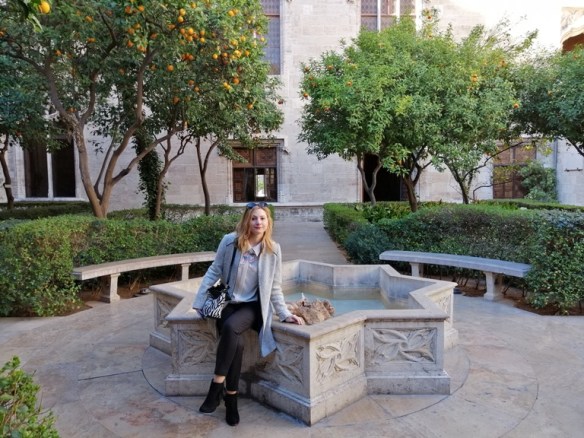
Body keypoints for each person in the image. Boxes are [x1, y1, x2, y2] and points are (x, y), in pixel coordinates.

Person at [192, 202, 304, 426]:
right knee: (237, 343)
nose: (258, 222)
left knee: (231, 327)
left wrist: (284, 313)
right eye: (254, 218)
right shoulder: (229, 241)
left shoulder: (273, 250)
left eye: (262, 218)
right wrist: (200, 299)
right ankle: (231, 398)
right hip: (227, 302)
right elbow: (214, 270)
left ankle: (216, 386)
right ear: (247, 220)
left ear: (268, 222)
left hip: (252, 306)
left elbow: (274, 287)